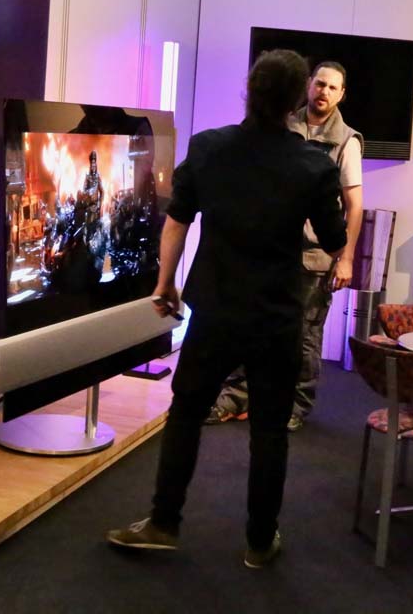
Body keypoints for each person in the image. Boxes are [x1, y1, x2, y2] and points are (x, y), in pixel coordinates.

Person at [105, 49, 346, 567]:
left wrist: (165, 283)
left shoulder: (209, 147)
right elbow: (333, 238)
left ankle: (163, 522)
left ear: (249, 91)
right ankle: (259, 542)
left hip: (214, 308)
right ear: (297, 100)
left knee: (186, 413)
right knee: (269, 430)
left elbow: (177, 219)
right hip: (277, 315)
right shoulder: (313, 165)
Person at [208, 60, 364, 432]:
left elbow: (354, 205)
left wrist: (346, 259)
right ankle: (236, 397)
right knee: (249, 325)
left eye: (333, 87)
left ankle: (295, 405)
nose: (324, 92)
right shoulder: (281, 123)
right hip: (266, 251)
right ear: (308, 84)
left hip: (313, 257)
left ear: (341, 95)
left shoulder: (347, 140)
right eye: (320, 84)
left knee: (303, 336)